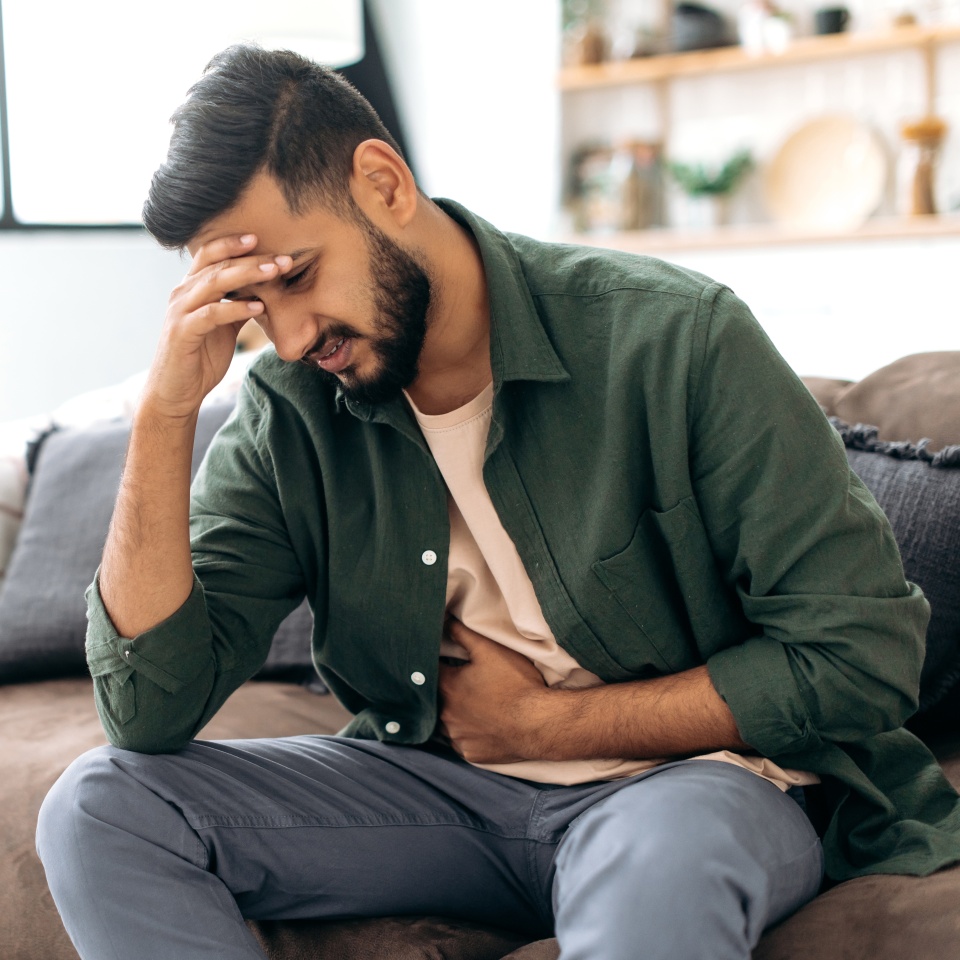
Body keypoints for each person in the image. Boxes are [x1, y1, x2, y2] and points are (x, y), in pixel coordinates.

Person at [36, 44, 960, 960]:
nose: (285, 337)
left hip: (694, 787)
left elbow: (861, 654)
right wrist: (166, 413)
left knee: (656, 864)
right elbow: (148, 715)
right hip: (439, 793)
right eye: (248, 301)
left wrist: (554, 726)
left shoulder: (674, 339)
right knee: (102, 807)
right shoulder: (292, 405)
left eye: (294, 277)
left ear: (383, 182)